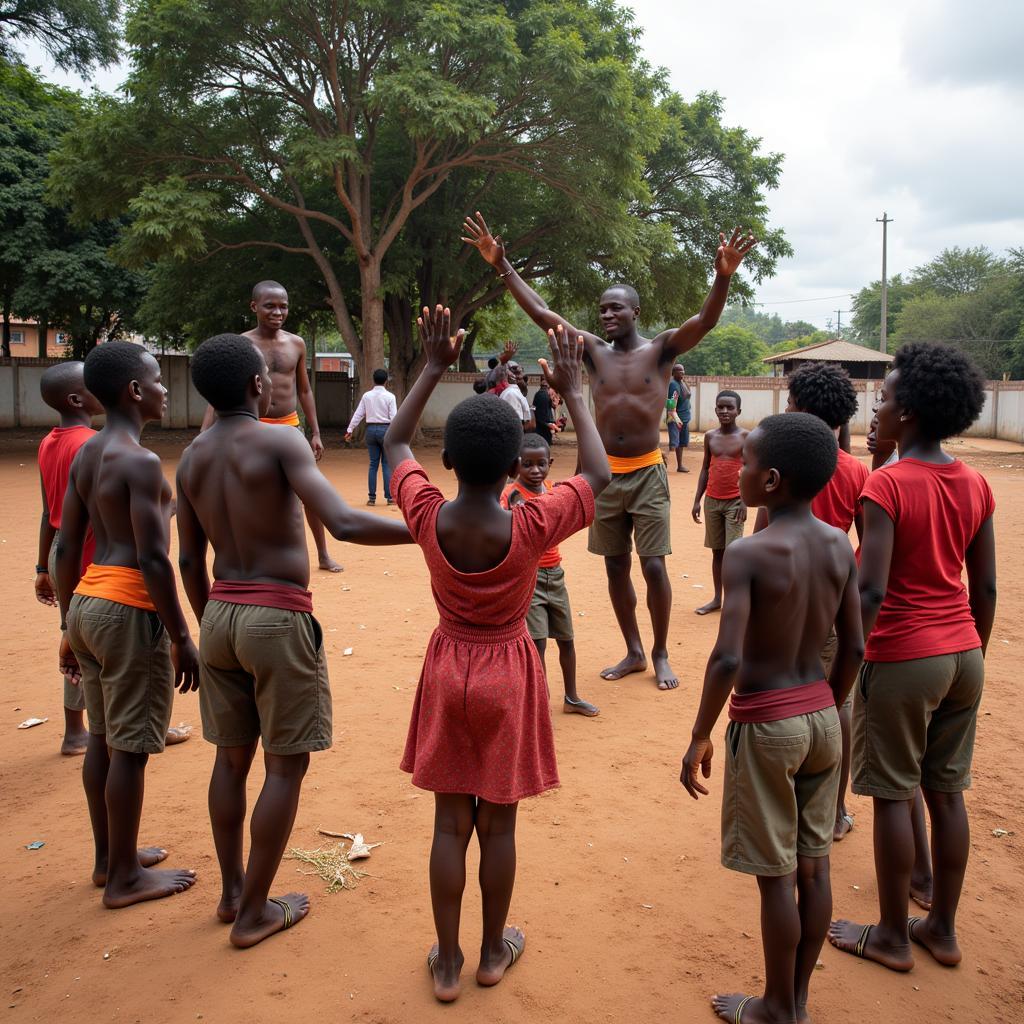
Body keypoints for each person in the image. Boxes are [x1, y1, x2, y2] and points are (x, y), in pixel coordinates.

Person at [384, 310, 609, 1003]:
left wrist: (430, 366)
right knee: (499, 821)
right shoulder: (534, 520)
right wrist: (572, 389)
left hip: (449, 664)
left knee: (450, 823)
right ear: (518, 466)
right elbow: (598, 470)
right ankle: (490, 952)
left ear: (447, 461)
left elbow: (394, 438)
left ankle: (447, 963)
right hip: (510, 670)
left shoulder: (426, 513)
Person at [176, 334, 412, 948]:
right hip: (276, 617)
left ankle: (233, 893)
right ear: (259, 385)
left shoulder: (192, 456)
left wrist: (207, 624)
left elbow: (186, 560)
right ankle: (255, 911)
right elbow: (342, 521)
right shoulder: (278, 439)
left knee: (230, 761)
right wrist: (428, 529)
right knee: (284, 768)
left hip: (220, 614)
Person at [463, 210, 756, 690]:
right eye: (602, 309)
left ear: (635, 312)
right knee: (615, 565)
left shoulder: (660, 351)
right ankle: (634, 651)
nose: (606, 315)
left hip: (646, 472)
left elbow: (704, 320)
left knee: (654, 564)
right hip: (605, 477)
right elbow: (542, 313)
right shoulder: (593, 350)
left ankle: (661, 652)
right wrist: (502, 264)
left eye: (616, 308)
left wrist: (721, 277)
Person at [681, 412, 864, 1024]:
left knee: (775, 877)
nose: (742, 470)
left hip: (766, 725)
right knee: (814, 868)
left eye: (751, 463)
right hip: (822, 718)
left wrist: (700, 733)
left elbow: (729, 655)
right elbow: (855, 647)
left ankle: (775, 1007)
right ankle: (798, 999)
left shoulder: (748, 552)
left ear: (772, 480)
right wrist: (829, 706)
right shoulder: (839, 543)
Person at [829, 343, 996, 973]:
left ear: (914, 412)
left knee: (893, 795)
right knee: (947, 795)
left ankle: (894, 936)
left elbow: (870, 589)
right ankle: (941, 930)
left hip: (903, 654)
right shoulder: (975, 482)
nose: (879, 406)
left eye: (887, 398)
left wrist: (851, 662)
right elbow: (985, 588)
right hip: (962, 654)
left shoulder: (888, 483)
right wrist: (969, 648)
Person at [56, 342, 199, 907]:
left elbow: (68, 543)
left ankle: (109, 858)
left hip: (89, 602)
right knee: (130, 749)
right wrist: (182, 637)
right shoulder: (139, 462)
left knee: (103, 739)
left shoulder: (89, 454)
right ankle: (124, 880)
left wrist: (68, 624)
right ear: (135, 392)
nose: (165, 388)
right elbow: (153, 559)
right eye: (158, 380)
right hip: (128, 610)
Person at [752, 363, 867, 841]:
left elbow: (760, 532)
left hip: (779, 603)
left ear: (801, 407)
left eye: (792, 400)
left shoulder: (781, 463)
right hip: (830, 605)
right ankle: (833, 810)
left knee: (775, 695)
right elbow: (867, 545)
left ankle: (775, 803)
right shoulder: (858, 471)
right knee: (832, 704)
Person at [201, 280, 341, 571]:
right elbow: (221, 390)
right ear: (254, 307)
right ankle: (245, 554)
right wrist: (204, 433)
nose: (278, 312)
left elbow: (304, 390)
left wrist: (314, 432)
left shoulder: (297, 343)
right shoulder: (241, 345)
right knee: (248, 489)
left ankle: (323, 554)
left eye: (283, 306)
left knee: (308, 488)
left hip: (290, 425)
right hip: (252, 424)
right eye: (270, 306)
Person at [501, 432, 600, 717]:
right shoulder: (510, 496)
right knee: (538, 643)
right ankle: (539, 703)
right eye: (527, 464)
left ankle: (571, 697)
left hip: (555, 576)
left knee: (567, 639)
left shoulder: (552, 490)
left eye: (541, 464)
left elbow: (580, 488)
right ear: (515, 465)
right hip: (529, 577)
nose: (534, 470)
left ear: (550, 463)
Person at [35, 362, 103, 756]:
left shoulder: (48, 443)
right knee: (114, 639)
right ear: (78, 399)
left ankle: (75, 731)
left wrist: (43, 568)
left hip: (63, 550)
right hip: (92, 549)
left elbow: (48, 511)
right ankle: (130, 725)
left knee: (74, 639)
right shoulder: (90, 443)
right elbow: (104, 510)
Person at [692, 391, 748, 615]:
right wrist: (697, 499)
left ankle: (735, 600)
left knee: (734, 552)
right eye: (721, 407)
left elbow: (751, 469)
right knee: (717, 552)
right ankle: (717, 598)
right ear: (715, 409)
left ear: (738, 411)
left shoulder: (746, 437)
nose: (725, 411)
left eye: (730, 408)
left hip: (735, 501)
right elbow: (706, 468)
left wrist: (745, 501)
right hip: (712, 501)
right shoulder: (710, 437)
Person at [345, 368, 398, 505]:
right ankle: (390, 497)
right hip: (386, 430)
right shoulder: (390, 397)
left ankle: (372, 498)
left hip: (370, 431)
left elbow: (359, 414)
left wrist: (350, 429)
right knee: (386, 464)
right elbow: (394, 418)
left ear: (373, 380)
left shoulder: (366, 396)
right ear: (386, 381)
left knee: (373, 464)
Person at [666, 363, 692, 473]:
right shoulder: (673, 385)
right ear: (673, 372)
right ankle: (663, 465)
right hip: (676, 419)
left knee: (681, 444)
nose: (682, 373)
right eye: (679, 371)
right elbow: (671, 406)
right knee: (673, 445)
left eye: (683, 371)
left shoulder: (682, 383)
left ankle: (680, 466)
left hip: (684, 418)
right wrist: (677, 419)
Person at [500, 360, 536, 431]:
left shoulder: (516, 392)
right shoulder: (512, 394)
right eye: (518, 374)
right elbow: (516, 425)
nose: (525, 383)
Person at [532, 380, 555, 446]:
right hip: (546, 422)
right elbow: (552, 406)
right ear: (547, 387)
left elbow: (534, 407)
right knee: (546, 441)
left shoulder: (537, 394)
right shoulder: (547, 395)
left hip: (539, 422)